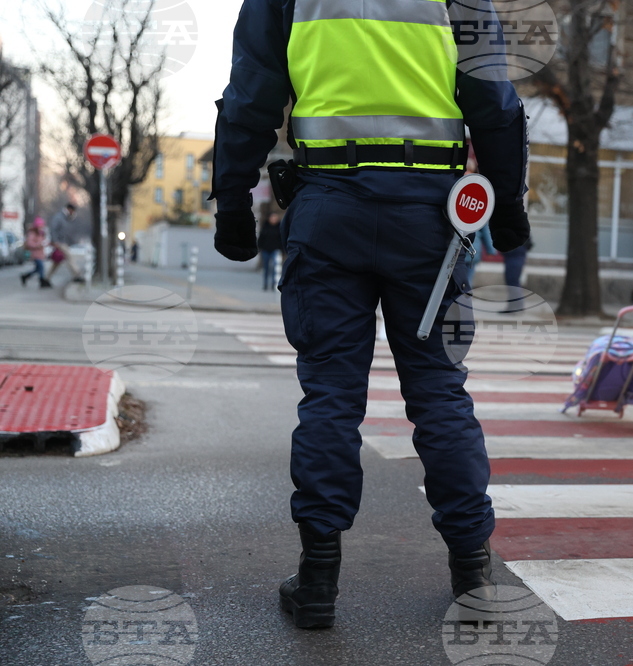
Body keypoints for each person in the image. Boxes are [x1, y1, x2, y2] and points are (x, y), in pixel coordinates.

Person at [211, 0, 529, 629]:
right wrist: (510, 204)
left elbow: (249, 96)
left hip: (329, 210)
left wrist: (230, 203)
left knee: (330, 393)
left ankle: (318, 581)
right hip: (430, 222)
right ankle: (472, 573)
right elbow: (495, 103)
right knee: (440, 391)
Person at [47, 203, 84, 283]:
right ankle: (77, 274)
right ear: (69, 209)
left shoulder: (66, 218)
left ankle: (46, 278)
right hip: (60, 242)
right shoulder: (59, 217)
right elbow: (53, 229)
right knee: (69, 257)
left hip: (63, 242)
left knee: (57, 262)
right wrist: (55, 240)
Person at [20, 218, 52, 288]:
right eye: (40, 226)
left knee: (38, 269)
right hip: (35, 253)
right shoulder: (32, 233)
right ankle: (41, 281)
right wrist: (38, 245)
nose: (41, 227)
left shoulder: (41, 233)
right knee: (41, 267)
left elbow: (43, 242)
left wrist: (46, 244)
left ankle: (25, 276)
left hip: (40, 253)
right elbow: (30, 243)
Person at [257, 212, 282, 291]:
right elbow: (261, 238)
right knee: (266, 268)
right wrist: (259, 247)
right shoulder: (265, 227)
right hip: (265, 250)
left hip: (275, 250)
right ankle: (265, 284)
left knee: (275, 268)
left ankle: (273, 285)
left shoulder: (280, 228)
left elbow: (282, 240)